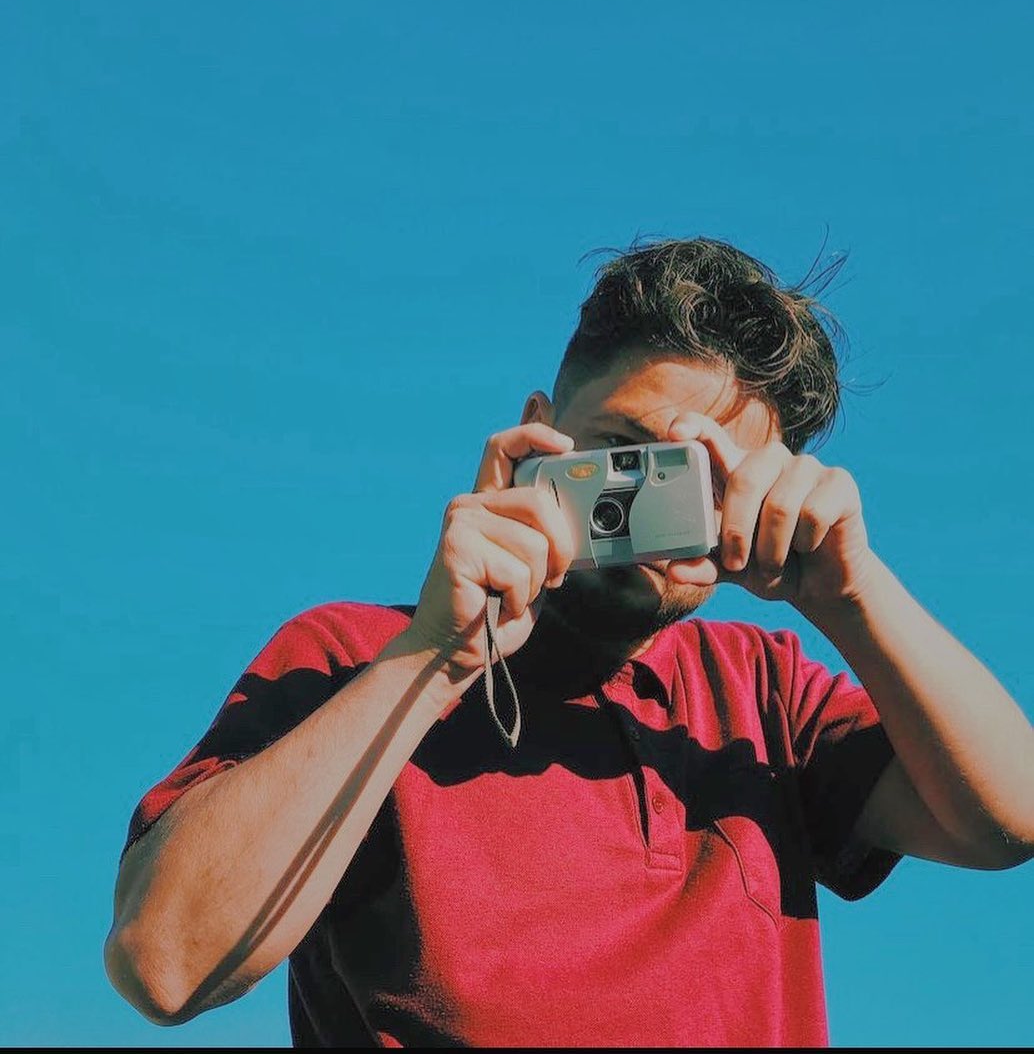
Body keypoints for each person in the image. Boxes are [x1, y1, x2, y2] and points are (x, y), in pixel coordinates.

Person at [104, 237, 1034, 1048]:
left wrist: (855, 595)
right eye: (624, 450)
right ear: (539, 430)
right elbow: (165, 963)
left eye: (707, 479)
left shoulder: (763, 690)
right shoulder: (354, 653)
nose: (652, 504)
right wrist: (433, 659)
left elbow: (1010, 819)